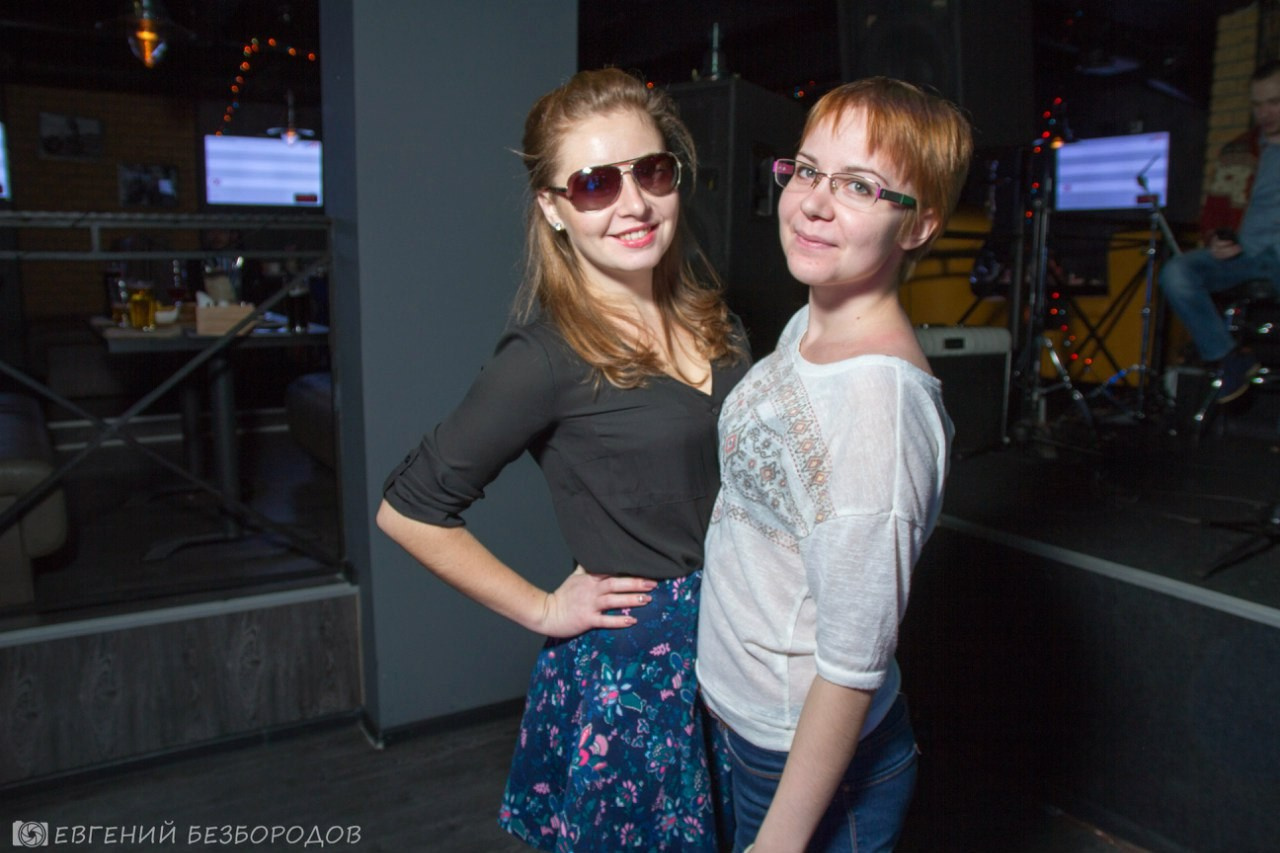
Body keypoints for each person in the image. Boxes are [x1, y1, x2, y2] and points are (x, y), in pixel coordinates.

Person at [376, 68, 749, 852]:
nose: (633, 203)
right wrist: (545, 610)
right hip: (642, 684)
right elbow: (407, 509)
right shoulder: (545, 358)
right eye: (594, 183)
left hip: (744, 644)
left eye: (651, 171)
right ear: (552, 207)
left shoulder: (720, 323)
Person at [696, 77, 972, 853]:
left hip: (805, 763)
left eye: (859, 185)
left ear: (919, 225)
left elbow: (852, 665)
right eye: (809, 170)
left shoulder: (878, 413)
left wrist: (778, 844)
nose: (815, 202)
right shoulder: (813, 320)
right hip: (750, 724)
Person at [1159, 60, 1280, 403]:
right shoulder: (1238, 151)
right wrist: (1216, 240)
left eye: (1274, 102)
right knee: (1176, 273)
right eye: (1257, 105)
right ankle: (1229, 358)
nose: (1264, 113)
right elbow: (1212, 214)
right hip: (1244, 255)